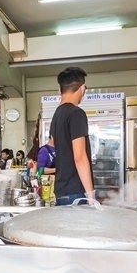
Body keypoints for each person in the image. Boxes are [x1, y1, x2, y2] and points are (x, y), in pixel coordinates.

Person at [51, 66, 95, 205]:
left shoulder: (57, 115)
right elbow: (79, 156)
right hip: (75, 194)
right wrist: (90, 195)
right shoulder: (76, 113)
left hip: (61, 192)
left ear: (60, 90)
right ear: (82, 89)